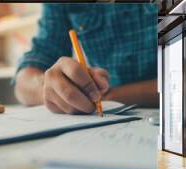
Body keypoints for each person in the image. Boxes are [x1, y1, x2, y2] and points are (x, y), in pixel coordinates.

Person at [14, 3, 159, 114]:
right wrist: (51, 87)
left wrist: (108, 97)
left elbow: (181, 82)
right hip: (105, 115)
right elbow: (25, 78)